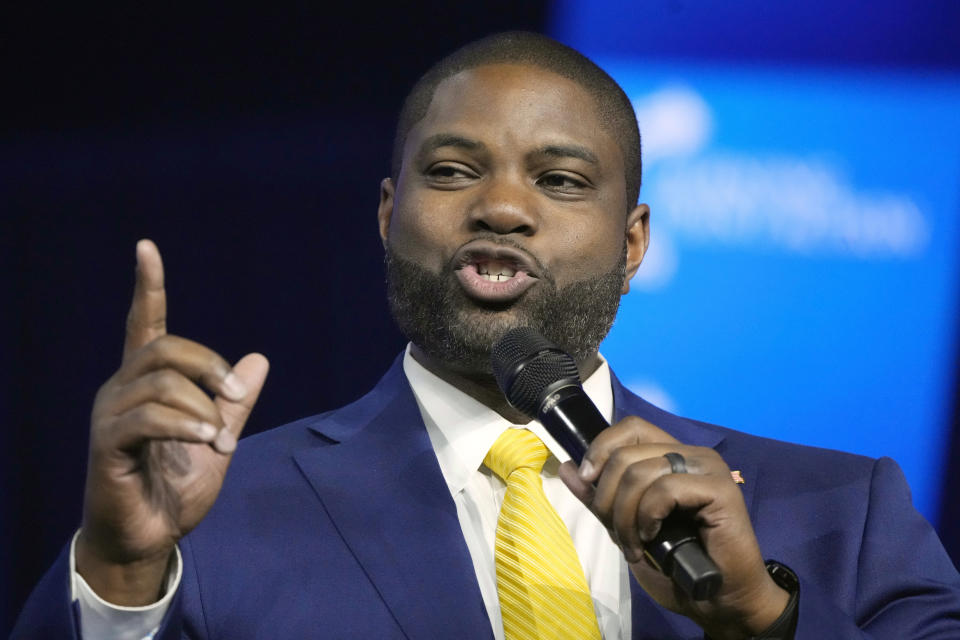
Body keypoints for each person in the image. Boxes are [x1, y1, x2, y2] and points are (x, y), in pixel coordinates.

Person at [13, 31, 960, 640]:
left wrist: (762, 618)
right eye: (455, 170)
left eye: (558, 180)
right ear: (388, 215)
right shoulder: (210, 523)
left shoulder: (846, 509)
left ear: (634, 242)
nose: (502, 207)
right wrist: (122, 573)